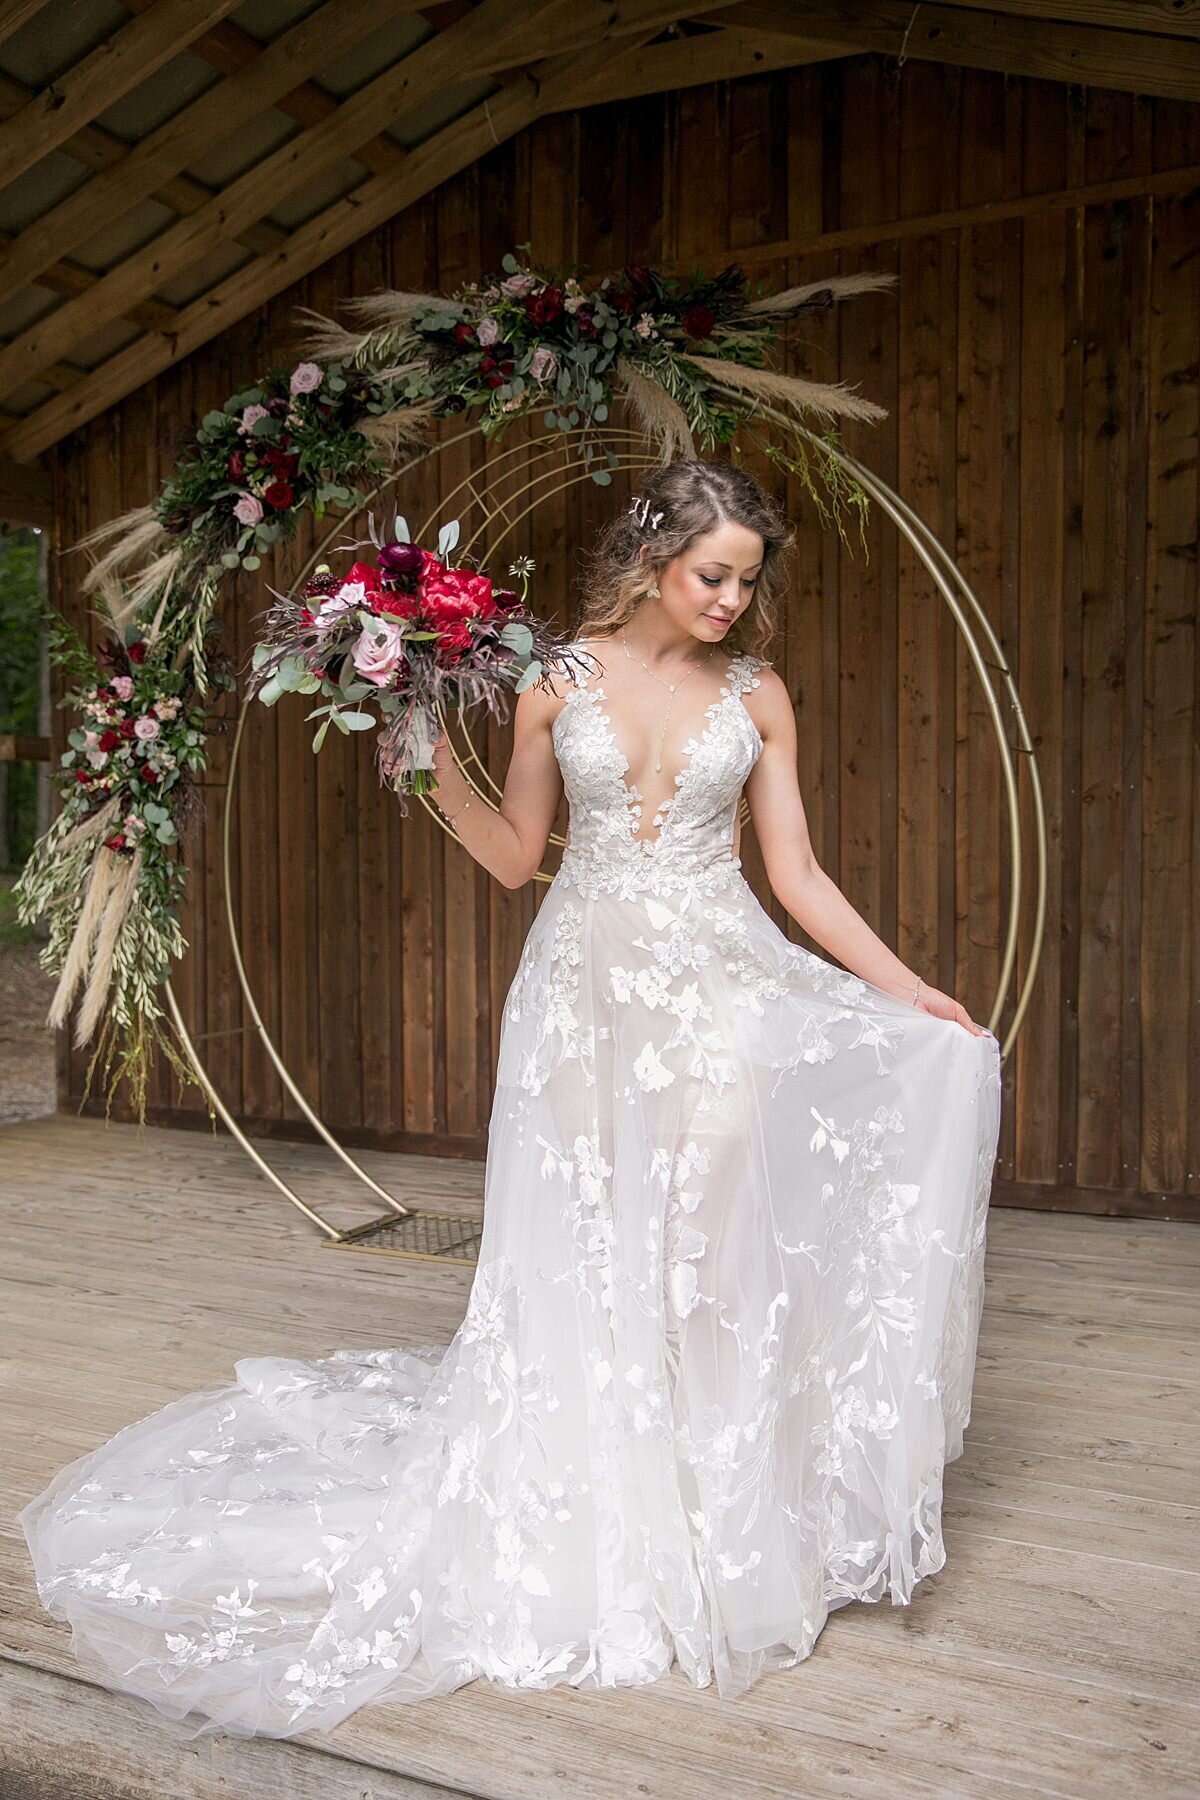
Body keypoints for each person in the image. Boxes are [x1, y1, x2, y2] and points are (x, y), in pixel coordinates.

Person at [19, 458, 1003, 1741]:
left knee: (708, 1244)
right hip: (579, 1007)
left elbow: (800, 875)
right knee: (591, 1246)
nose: (731, 602)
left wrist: (918, 994)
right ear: (653, 558)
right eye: (715, 576)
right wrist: (417, 744)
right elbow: (513, 858)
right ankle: (596, 1495)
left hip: (722, 993)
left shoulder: (759, 694)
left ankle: (717, 1519)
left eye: (748, 583)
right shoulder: (554, 680)